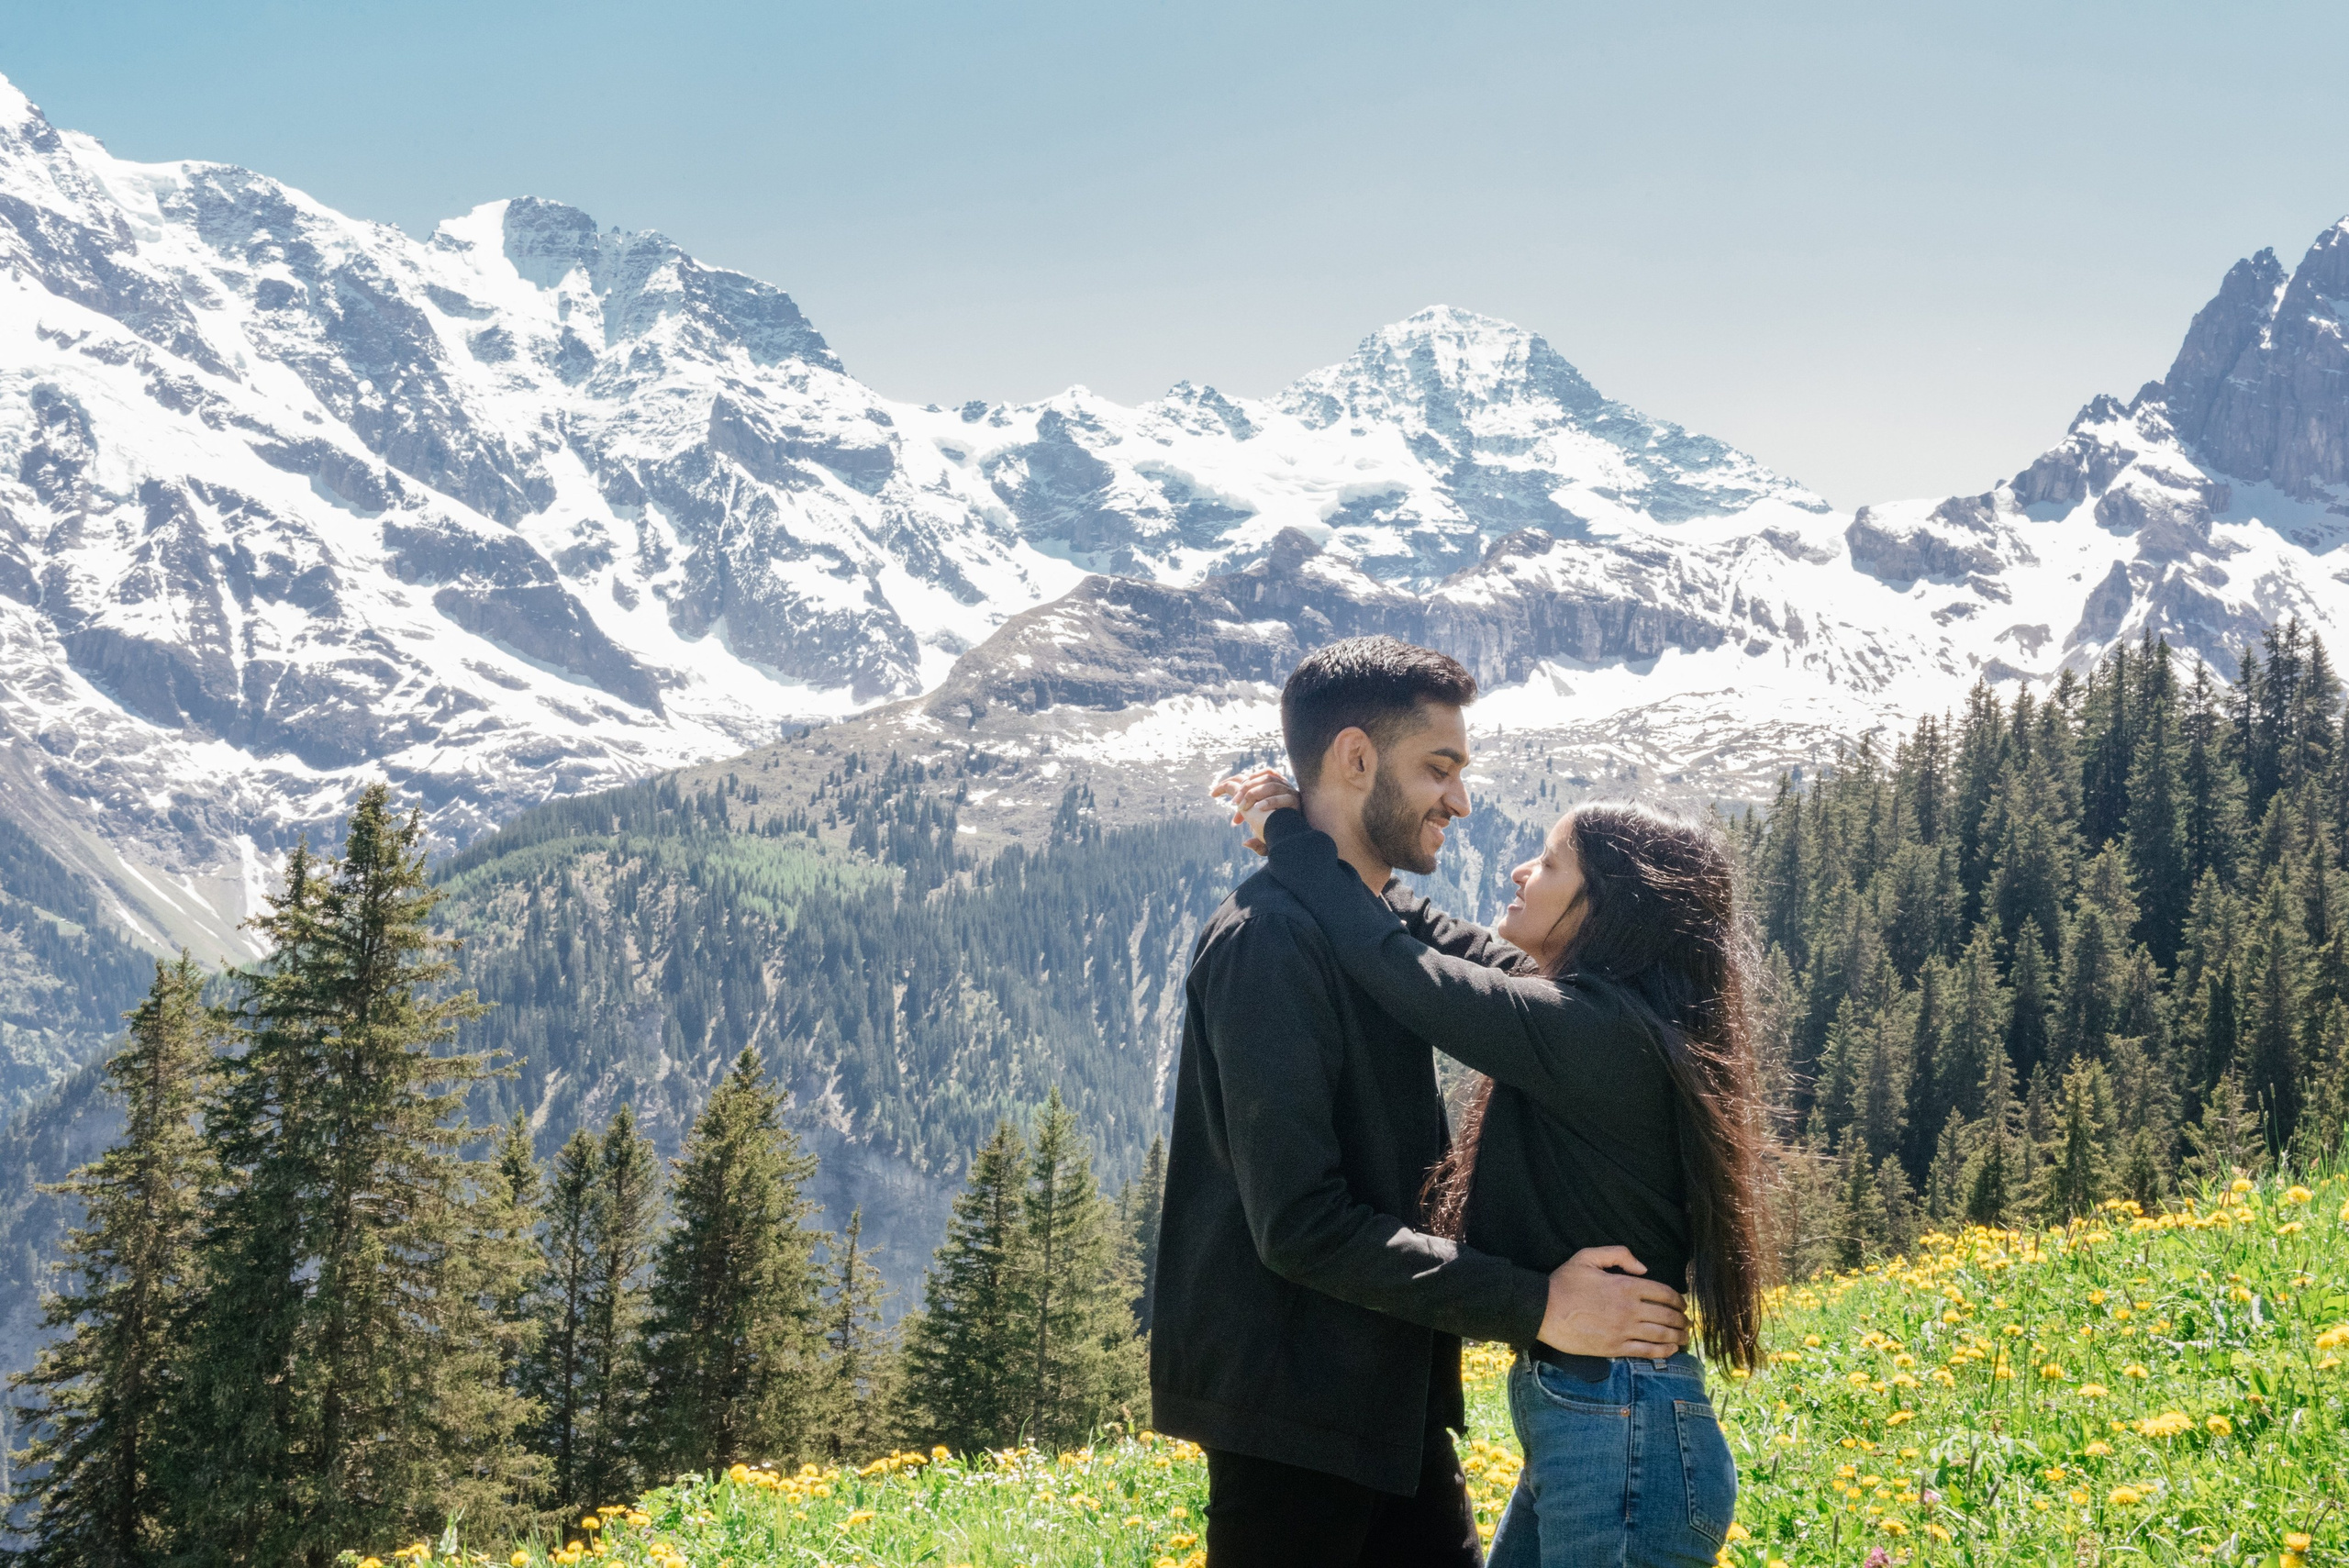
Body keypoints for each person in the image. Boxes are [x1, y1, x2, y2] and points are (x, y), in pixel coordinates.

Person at [1150, 637, 1691, 1568]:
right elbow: (1301, 1224)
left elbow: (1434, 945)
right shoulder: (1269, 944)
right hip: (1293, 1425)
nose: (1461, 799)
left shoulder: (1369, 927)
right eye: (1438, 768)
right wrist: (1537, 1304)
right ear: (1356, 758)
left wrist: (1299, 840)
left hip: (1390, 1406)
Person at [1215, 762, 1769, 1568]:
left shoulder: (1589, 1034)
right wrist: (1350, 857)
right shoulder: (1613, 1020)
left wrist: (1297, 843)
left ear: (1606, 907)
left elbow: (1400, 966)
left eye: (1549, 864)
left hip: (1625, 1442)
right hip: (1606, 1428)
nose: (1519, 871)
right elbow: (1439, 940)